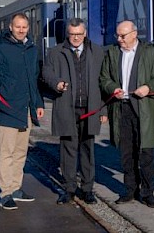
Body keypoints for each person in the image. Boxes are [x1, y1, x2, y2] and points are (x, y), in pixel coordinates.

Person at [0, 13, 45, 210]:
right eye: (18, 27)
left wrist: (38, 104)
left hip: (26, 109)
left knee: (20, 152)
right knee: (6, 152)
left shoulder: (32, 50)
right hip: (8, 108)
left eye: (24, 27)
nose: (21, 30)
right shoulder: (1, 50)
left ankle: (16, 188)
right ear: (11, 27)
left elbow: (34, 80)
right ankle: (5, 193)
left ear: (28, 28)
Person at [100, 20, 154, 208]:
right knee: (126, 152)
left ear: (134, 34)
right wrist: (113, 88)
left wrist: (148, 87)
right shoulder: (112, 53)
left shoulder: (150, 52)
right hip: (121, 109)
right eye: (117, 36)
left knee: (145, 152)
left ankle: (148, 192)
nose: (119, 39)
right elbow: (104, 78)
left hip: (143, 108)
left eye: (123, 36)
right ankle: (130, 190)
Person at [42, 18, 106, 205]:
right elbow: (46, 72)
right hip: (66, 108)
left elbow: (103, 81)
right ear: (67, 34)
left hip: (90, 108)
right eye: (72, 34)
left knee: (88, 149)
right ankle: (69, 189)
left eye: (79, 34)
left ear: (85, 33)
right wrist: (56, 83)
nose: (76, 38)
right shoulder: (55, 52)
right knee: (68, 149)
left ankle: (87, 189)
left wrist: (103, 109)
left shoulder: (97, 52)